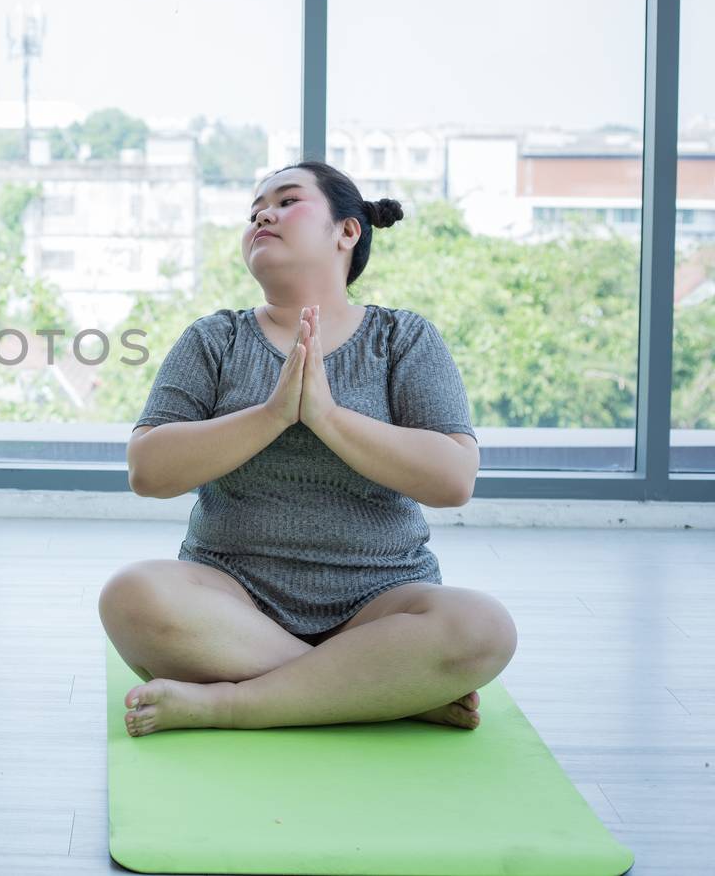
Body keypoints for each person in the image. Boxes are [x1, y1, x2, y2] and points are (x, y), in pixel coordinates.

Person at [102, 161, 517, 736]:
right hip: (231, 606)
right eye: (254, 211)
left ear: (347, 232)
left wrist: (326, 417)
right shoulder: (213, 339)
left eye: (287, 200)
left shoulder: (403, 338)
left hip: (381, 601)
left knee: (484, 628)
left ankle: (230, 705)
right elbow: (147, 470)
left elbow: (454, 480)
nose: (262, 215)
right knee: (131, 595)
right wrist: (273, 414)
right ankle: (376, 691)